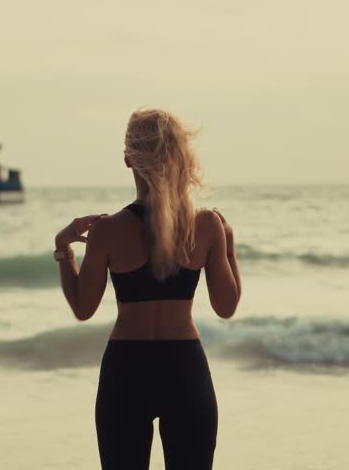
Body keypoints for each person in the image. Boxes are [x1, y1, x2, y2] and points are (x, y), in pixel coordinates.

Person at [54, 108, 242, 470]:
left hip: (126, 370)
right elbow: (227, 306)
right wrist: (228, 244)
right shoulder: (205, 225)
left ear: (128, 159)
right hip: (185, 369)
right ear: (179, 156)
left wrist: (63, 250)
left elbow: (82, 308)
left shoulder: (107, 231)